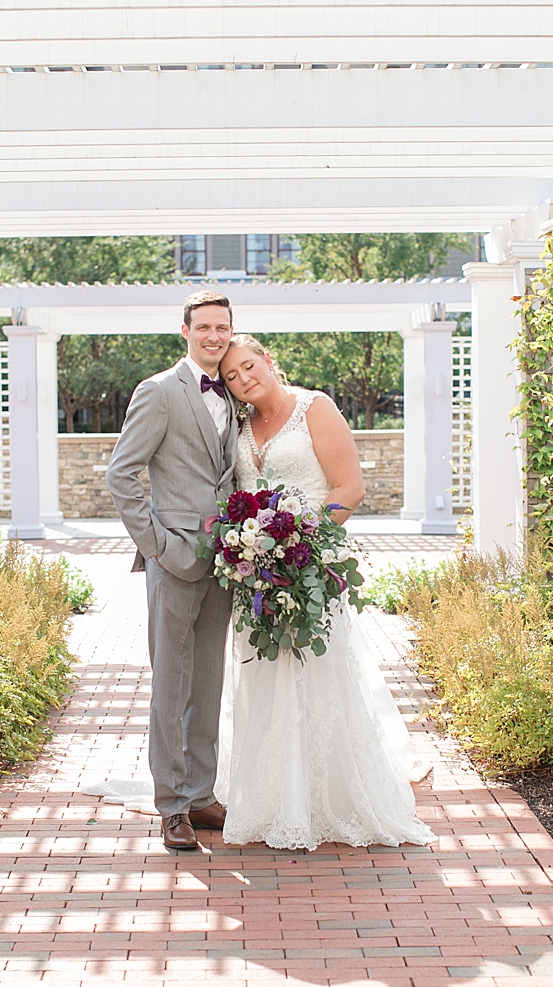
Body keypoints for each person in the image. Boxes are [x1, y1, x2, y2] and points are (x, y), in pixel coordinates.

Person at [213, 334, 434, 851]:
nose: (244, 379)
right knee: (263, 676)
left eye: (249, 366)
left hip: (312, 564)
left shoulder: (315, 407)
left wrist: (301, 539)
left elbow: (349, 489)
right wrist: (255, 550)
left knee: (319, 673)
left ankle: (328, 793)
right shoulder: (239, 428)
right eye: (231, 377)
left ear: (269, 360)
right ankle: (270, 794)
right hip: (260, 577)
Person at [105, 290, 239, 851]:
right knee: (171, 685)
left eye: (223, 328)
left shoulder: (233, 393)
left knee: (209, 681)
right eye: (204, 327)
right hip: (174, 557)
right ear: (184, 331)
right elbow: (122, 474)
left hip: (227, 560)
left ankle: (202, 795)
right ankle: (171, 806)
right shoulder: (158, 391)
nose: (214, 336)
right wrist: (157, 545)